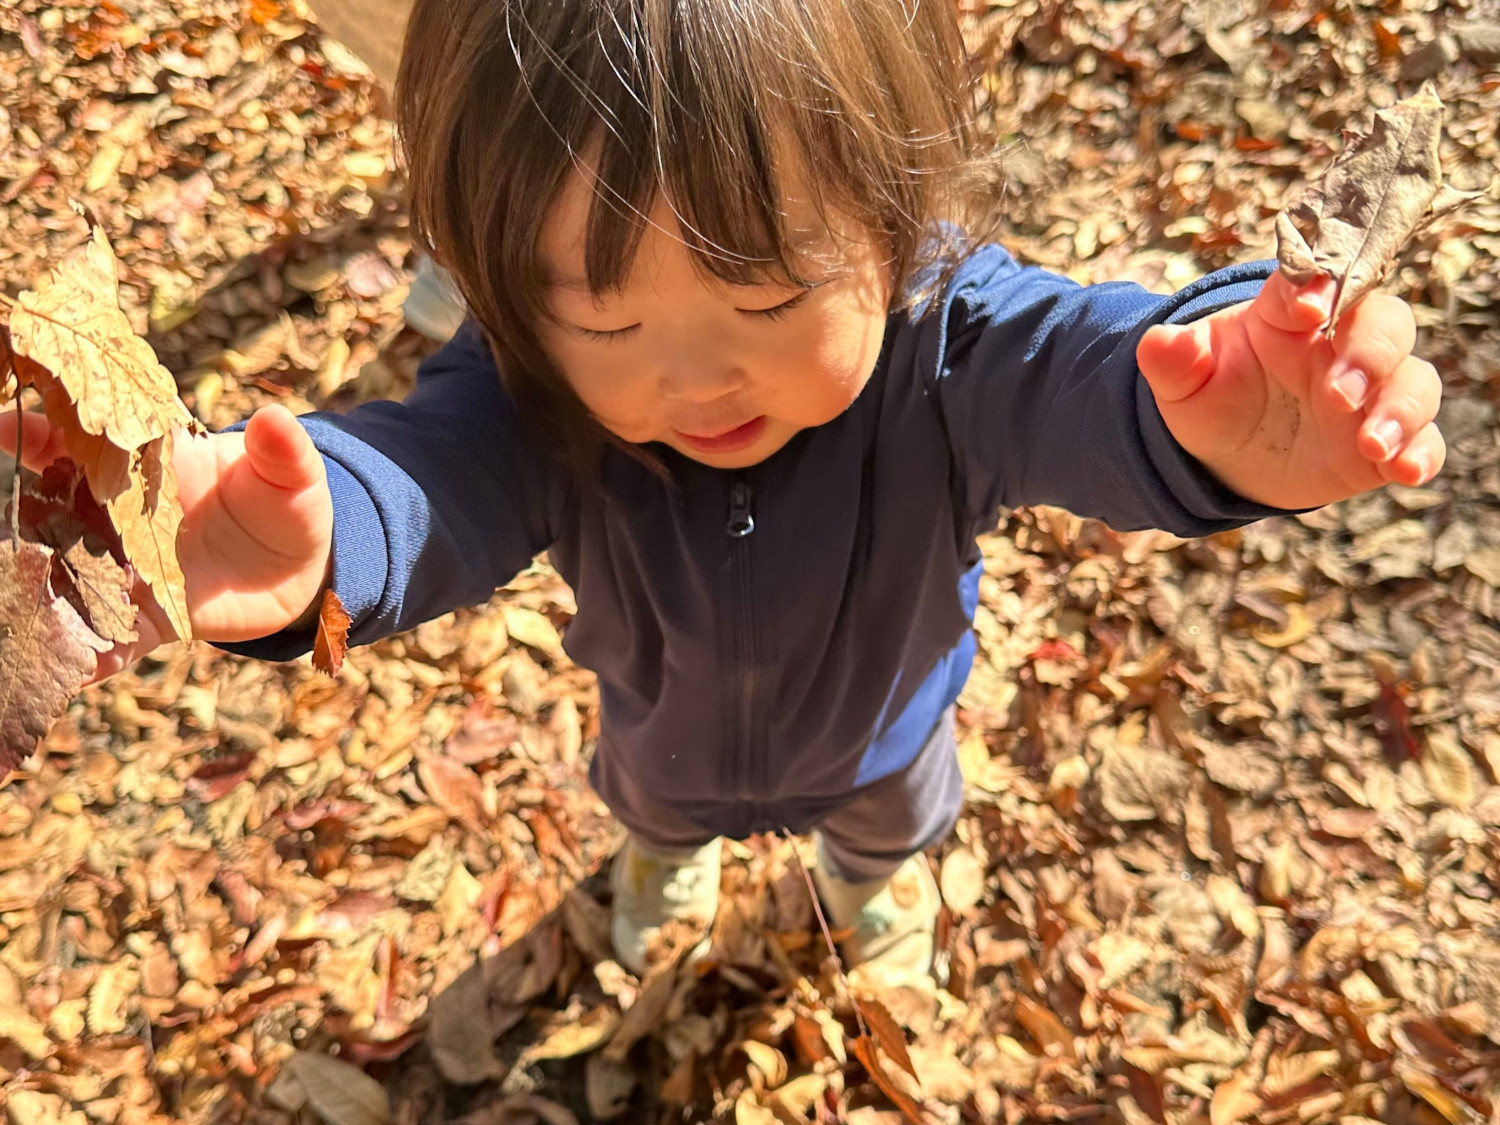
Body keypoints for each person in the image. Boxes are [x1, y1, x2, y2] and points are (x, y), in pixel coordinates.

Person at [5, 0, 1445, 978]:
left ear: (890, 218)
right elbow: (436, 473)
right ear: (510, 295)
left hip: (888, 729)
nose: (696, 379)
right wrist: (326, 540)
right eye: (610, 320)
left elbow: (1090, 372)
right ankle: (662, 867)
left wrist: (1211, 418)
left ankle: (877, 893)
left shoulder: (949, 348)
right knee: (655, 810)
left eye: (767, 294)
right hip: (661, 732)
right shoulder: (536, 391)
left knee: (893, 830)